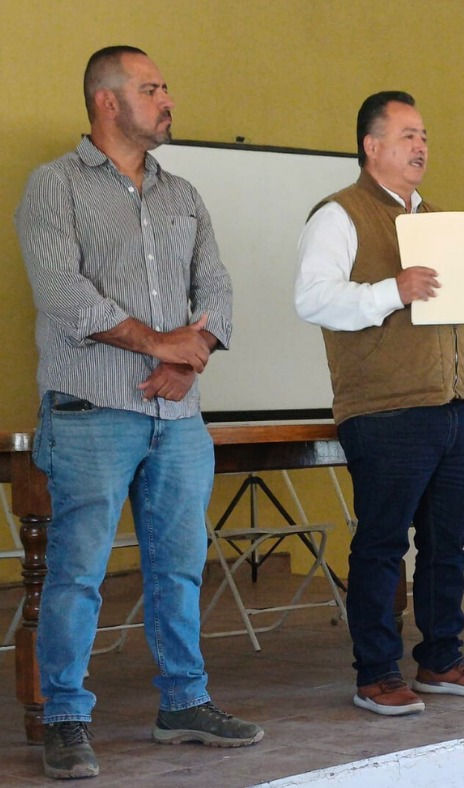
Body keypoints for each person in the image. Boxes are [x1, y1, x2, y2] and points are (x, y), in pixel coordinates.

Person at [14, 46, 262, 780]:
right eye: (151, 88)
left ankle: (183, 702)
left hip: (178, 419)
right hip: (92, 411)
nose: (168, 100)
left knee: (180, 568)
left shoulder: (182, 193)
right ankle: (64, 716)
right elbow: (62, 292)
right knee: (77, 573)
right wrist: (159, 344)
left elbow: (216, 285)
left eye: (165, 88)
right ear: (107, 101)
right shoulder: (54, 185)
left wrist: (193, 355)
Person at [294, 91, 464, 716]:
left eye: (425, 136)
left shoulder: (437, 221)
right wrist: (394, 288)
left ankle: (441, 659)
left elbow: (454, 313)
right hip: (385, 409)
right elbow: (313, 299)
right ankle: (377, 672)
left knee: (447, 544)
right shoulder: (339, 215)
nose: (421, 146)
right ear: (372, 146)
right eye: (408, 135)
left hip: (450, 407)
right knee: (383, 544)